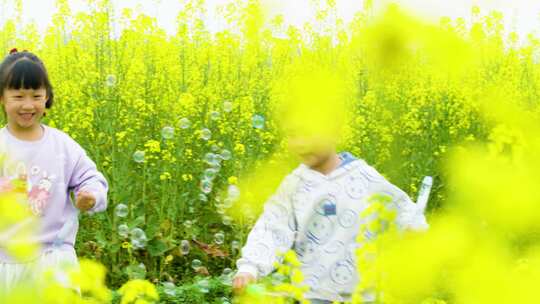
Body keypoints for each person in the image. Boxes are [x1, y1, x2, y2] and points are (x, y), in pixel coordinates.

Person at [232, 69, 429, 303]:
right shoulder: (293, 185)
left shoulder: (364, 177)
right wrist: (250, 268)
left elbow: (406, 213)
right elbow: (272, 228)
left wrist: (412, 231)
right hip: (311, 297)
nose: (300, 143)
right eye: (292, 134)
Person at [0, 49, 108, 291]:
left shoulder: (62, 145)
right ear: (2, 98)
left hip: (54, 258)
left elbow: (90, 178)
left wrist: (90, 195)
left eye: (36, 96)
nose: (28, 105)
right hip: (5, 262)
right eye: (18, 96)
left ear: (47, 97)